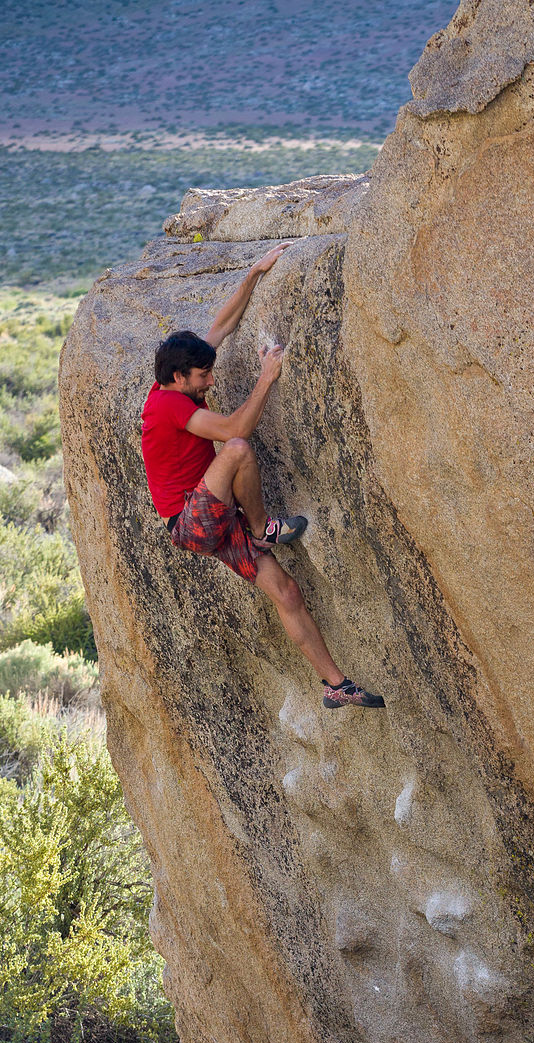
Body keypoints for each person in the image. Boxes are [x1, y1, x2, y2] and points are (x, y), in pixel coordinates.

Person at [140, 244, 385, 711]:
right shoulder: (170, 405)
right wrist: (267, 376)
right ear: (179, 376)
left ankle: (336, 686)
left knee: (286, 591)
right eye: (203, 377)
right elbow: (235, 430)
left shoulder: (175, 379)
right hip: (193, 520)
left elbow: (222, 327)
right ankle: (264, 528)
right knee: (236, 450)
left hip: (212, 514)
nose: (210, 382)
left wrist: (254, 273)